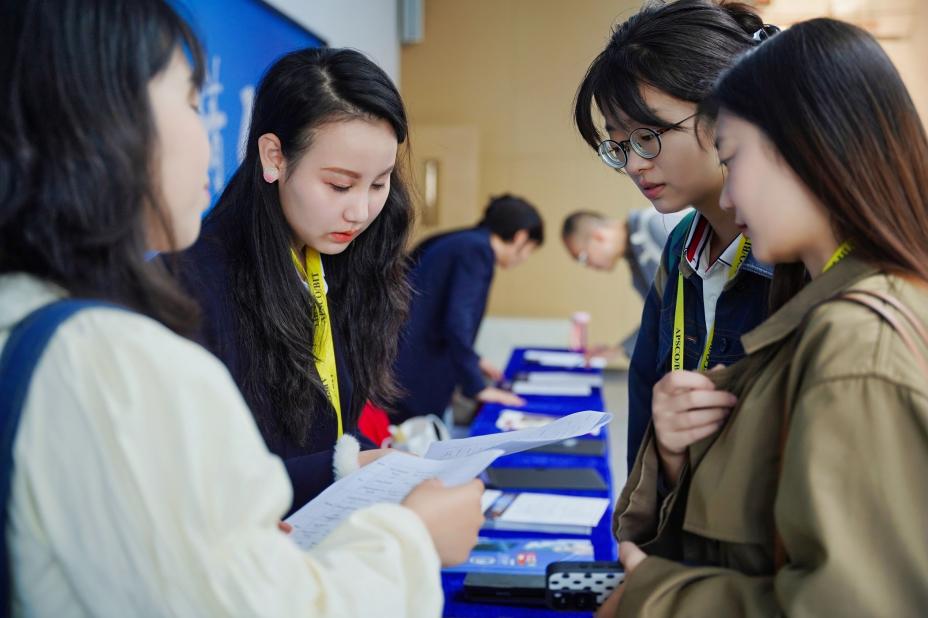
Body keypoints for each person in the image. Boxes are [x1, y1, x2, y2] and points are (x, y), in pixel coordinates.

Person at [0, 1, 483, 615]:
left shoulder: (348, 266)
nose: (361, 209)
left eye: (379, 183)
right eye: (192, 101)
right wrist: (412, 538)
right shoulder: (114, 352)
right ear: (102, 125)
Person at [600, 18, 928, 616]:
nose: (729, 197)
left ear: (809, 149)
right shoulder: (709, 259)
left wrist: (658, 597)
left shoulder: (855, 336)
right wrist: (672, 454)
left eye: (733, 157)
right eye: (618, 145)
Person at [175, 47, 413, 512]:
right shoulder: (196, 286)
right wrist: (344, 469)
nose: (360, 211)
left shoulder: (344, 257)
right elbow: (199, 483)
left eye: (380, 183)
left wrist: (384, 465)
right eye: (340, 185)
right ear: (274, 157)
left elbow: (329, 426)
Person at [574, 0, 774, 472]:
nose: (633, 164)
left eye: (648, 136)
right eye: (619, 144)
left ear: (727, 112)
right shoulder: (682, 245)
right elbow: (646, 402)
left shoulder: (795, 249)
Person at [392, 194, 544, 422]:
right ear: (520, 237)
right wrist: (477, 387)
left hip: (399, 360)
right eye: (530, 249)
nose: (525, 258)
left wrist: (475, 361)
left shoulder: (459, 240)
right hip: (416, 372)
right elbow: (457, 321)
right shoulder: (477, 252)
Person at [561, 208, 688, 358]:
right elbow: (660, 315)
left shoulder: (656, 224)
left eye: (582, 258)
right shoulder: (635, 256)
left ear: (598, 237)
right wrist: (619, 350)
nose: (587, 265)